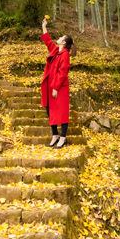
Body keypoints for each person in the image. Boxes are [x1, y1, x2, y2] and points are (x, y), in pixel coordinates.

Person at [40, 17, 73, 148]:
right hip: (50, 85)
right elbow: (48, 42)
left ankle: (63, 137)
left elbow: (63, 72)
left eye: (60, 37)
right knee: (49, 109)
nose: (58, 38)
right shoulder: (56, 51)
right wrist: (44, 27)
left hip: (59, 87)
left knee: (62, 111)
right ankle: (55, 135)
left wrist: (56, 87)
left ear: (64, 42)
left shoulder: (65, 54)